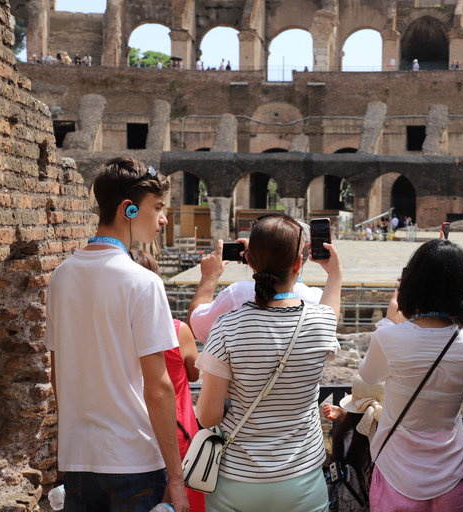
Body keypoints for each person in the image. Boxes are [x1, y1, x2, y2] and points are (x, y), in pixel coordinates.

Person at [45, 157, 189, 512]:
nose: (163, 219)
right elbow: (158, 388)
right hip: (134, 462)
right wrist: (176, 476)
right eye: (156, 208)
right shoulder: (143, 282)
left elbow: (56, 376)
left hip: (78, 461)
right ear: (128, 210)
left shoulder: (61, 277)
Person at [194, 213, 343, 511]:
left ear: (249, 262)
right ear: (299, 264)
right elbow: (331, 306)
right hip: (302, 476)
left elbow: (207, 417)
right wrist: (334, 273)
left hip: (237, 480)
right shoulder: (321, 322)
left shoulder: (226, 327)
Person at [358, 239, 463, 511]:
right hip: (451, 471)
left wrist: (390, 321)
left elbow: (368, 376)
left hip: (396, 469)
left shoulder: (388, 336)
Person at [132, 250, 205, 512]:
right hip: (177, 435)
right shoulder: (177, 331)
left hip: (134, 432)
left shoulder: (113, 336)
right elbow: (195, 373)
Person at [187, 221, 323, 344]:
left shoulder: (237, 293)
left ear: (250, 258)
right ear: (300, 260)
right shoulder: (319, 300)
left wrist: (209, 277)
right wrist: (335, 271)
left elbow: (194, 328)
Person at [322, 374, 385, 510]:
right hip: (378, 502)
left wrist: (344, 416)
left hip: (350, 500)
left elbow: (360, 428)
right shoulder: (386, 438)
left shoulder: (347, 435)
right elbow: (368, 427)